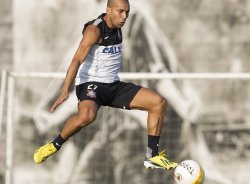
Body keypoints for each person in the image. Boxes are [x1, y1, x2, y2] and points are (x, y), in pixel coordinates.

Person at [33, 0, 177, 170]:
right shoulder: (94, 30)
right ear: (107, 10)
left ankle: (152, 156)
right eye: (120, 12)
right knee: (86, 117)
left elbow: (155, 68)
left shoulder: (127, 28)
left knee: (158, 103)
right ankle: (54, 145)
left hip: (113, 85)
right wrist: (65, 90)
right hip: (93, 85)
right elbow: (76, 60)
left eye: (127, 12)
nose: (124, 17)